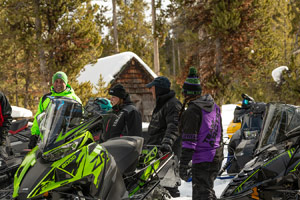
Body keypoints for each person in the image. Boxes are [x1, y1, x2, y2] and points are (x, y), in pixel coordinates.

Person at [179, 67, 224, 200]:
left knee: (202, 195)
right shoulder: (214, 106)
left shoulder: (192, 112)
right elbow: (219, 132)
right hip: (216, 155)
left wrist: (183, 164)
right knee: (206, 190)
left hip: (203, 159)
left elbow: (189, 142)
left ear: (186, 93)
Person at [146, 76, 182, 198]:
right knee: (158, 188)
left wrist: (167, 143)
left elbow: (174, 126)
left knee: (169, 189)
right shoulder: (162, 104)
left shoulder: (173, 104)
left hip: (167, 154)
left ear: (159, 89)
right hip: (157, 152)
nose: (151, 91)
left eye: (153, 88)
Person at [28, 71, 82, 149]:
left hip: (66, 140)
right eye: (56, 81)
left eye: (61, 81)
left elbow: (79, 120)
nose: (58, 84)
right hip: (46, 140)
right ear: (53, 83)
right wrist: (34, 135)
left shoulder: (74, 99)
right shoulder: (46, 98)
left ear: (66, 83)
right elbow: (38, 117)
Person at [0, 92, 12, 168]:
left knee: (3, 164)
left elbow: (7, 117)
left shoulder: (1, 96)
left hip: (1, 135)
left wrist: (3, 135)